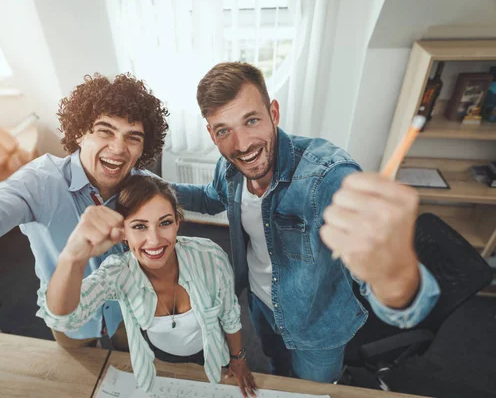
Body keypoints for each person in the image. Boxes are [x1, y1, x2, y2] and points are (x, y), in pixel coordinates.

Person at [173, 62, 441, 383]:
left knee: (309, 391)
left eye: (252, 120)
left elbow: (402, 302)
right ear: (211, 133)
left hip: (318, 328)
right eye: (223, 130)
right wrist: (152, 187)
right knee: (276, 371)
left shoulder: (327, 177)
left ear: (274, 112)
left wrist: (395, 277)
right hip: (261, 303)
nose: (241, 145)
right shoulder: (229, 168)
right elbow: (209, 199)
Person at [0, 73, 169, 348]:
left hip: (129, 310)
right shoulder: (38, 181)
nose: (119, 148)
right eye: (105, 131)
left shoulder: (148, 185)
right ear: (79, 133)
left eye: (133, 137)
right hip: (71, 319)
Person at [38, 175, 257, 396]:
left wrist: (238, 358)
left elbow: (229, 313)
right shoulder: (119, 272)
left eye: (165, 223)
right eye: (139, 226)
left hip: (212, 351)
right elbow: (63, 318)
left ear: (177, 222)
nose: (154, 240)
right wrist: (73, 257)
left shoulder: (210, 256)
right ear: (123, 233)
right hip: (157, 357)